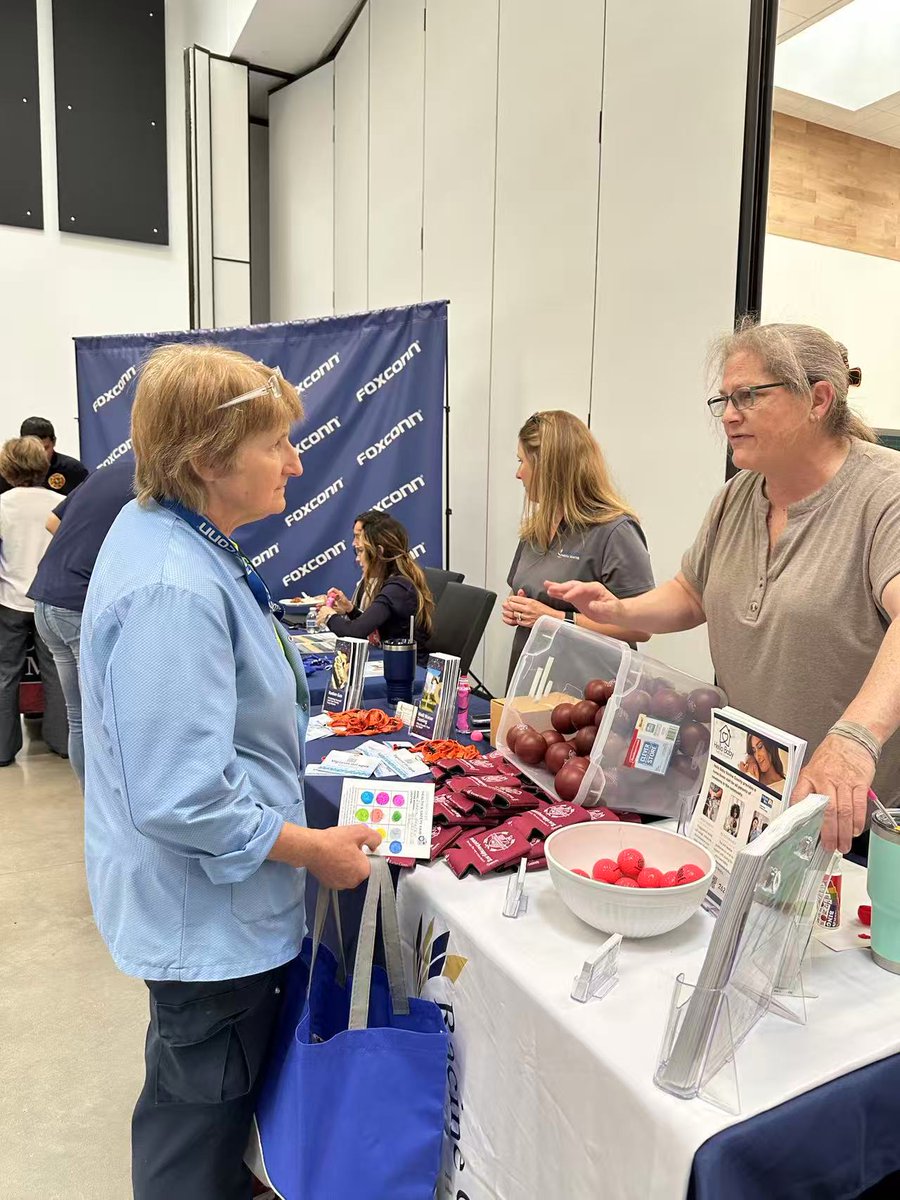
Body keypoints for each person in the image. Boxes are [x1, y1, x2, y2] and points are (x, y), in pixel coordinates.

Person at [78, 344, 379, 1200]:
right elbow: (183, 798)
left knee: (200, 1099)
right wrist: (315, 850)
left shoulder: (171, 535)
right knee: (193, 1131)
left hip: (203, 910)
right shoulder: (174, 585)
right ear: (210, 459)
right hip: (206, 926)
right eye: (276, 443)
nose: (296, 460)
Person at [547, 321, 900, 854]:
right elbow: (692, 594)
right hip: (748, 793)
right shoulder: (738, 495)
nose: (730, 414)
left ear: (819, 399)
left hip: (850, 817)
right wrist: (621, 607)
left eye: (750, 396)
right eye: (725, 399)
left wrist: (854, 741)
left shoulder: (884, 493)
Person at [502, 410, 655, 684]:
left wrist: (558, 619)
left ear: (548, 468)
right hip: (530, 683)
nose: (518, 473)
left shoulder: (614, 531)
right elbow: (525, 591)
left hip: (588, 694)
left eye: (522, 461)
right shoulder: (536, 527)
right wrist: (517, 607)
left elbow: (642, 628)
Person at [29, 458, 136, 787]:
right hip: (77, 604)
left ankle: (94, 807)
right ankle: (109, 810)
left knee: (80, 718)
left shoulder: (106, 472)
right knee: (105, 718)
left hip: (46, 600)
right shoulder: (155, 479)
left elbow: (52, 522)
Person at [0, 437, 67, 764]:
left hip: (11, 601)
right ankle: (63, 742)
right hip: (51, 600)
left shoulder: (2, 505)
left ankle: (1, 749)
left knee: (4, 674)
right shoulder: (62, 502)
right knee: (58, 673)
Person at [317, 511, 434, 645]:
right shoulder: (392, 581)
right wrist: (350, 609)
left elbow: (355, 632)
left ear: (379, 552)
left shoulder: (397, 588)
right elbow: (371, 627)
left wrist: (329, 616)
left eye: (360, 551)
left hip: (408, 663)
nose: (357, 559)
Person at [0, 417, 89, 496]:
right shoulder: (9, 470)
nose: (41, 455)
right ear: (22, 444)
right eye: (34, 449)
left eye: (45, 448)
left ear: (54, 442)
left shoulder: (73, 469)